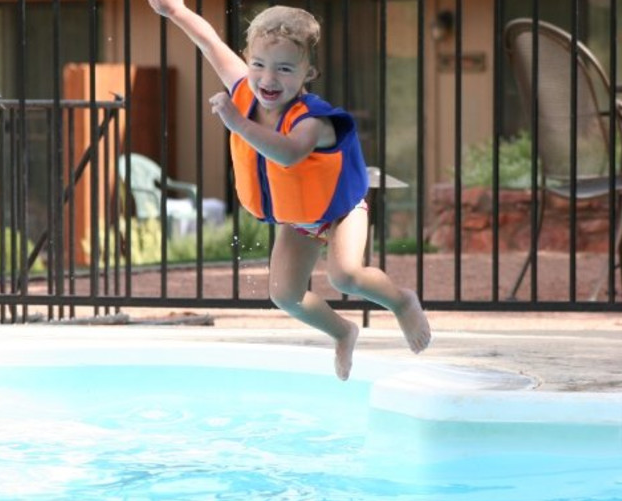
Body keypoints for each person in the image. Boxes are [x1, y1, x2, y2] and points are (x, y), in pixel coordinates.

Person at [147, 1, 431, 380]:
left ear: (307, 73)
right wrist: (175, 11)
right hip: (300, 217)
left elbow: (290, 154)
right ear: (247, 60)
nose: (268, 78)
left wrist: (237, 125)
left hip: (340, 209)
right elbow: (209, 41)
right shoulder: (246, 88)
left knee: (344, 276)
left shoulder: (312, 120)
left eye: (284, 69)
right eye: (259, 65)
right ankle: (343, 331)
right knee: (285, 295)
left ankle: (401, 302)